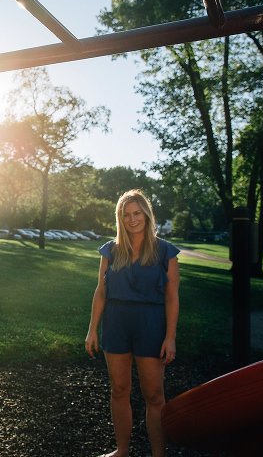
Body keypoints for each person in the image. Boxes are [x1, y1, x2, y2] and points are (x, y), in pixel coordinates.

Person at [85, 189, 180, 457]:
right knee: (119, 390)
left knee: (154, 395)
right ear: (120, 218)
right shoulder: (111, 250)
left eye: (137, 213)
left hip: (150, 325)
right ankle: (122, 451)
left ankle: (158, 454)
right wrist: (92, 329)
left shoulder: (165, 252)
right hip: (116, 324)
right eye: (126, 215)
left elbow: (172, 298)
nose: (132, 219)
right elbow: (100, 291)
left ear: (147, 215)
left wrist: (170, 337)